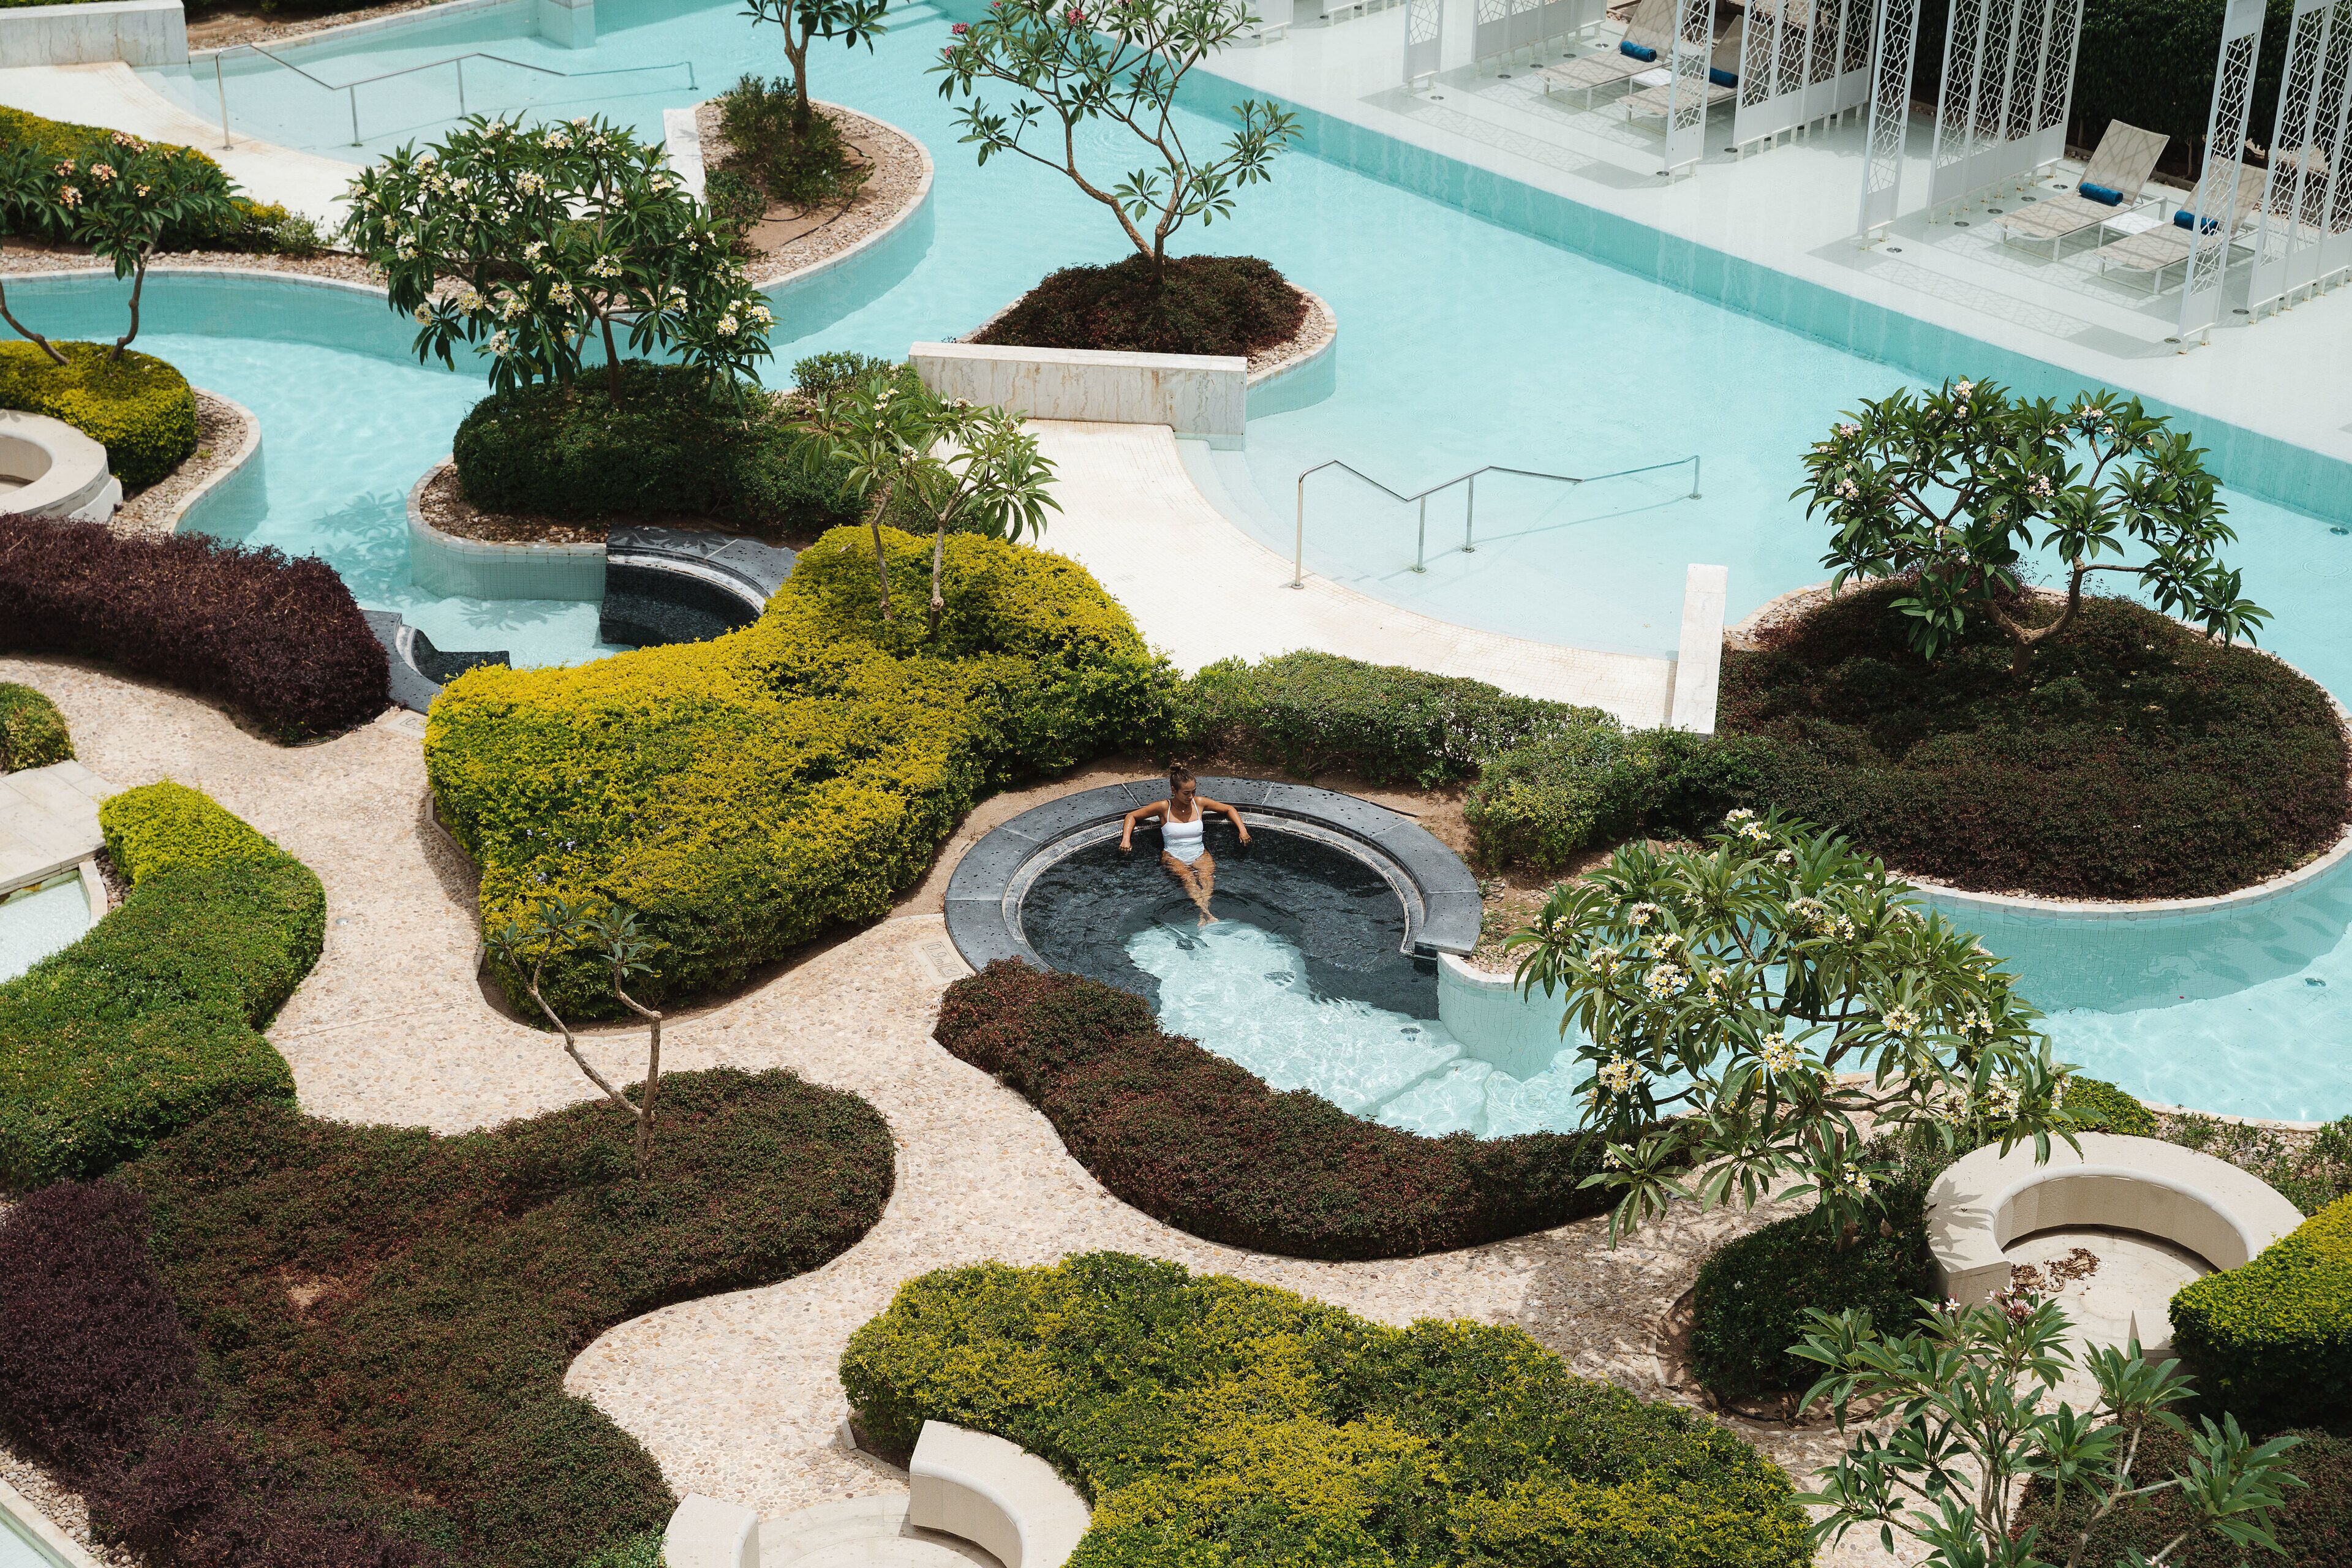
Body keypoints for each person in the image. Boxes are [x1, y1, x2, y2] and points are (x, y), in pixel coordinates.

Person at [1120, 766, 1250, 925]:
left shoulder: (1199, 803)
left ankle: (1204, 914)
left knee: (1207, 878)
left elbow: (1229, 809)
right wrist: (1126, 839)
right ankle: (1206, 913)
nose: (1191, 797)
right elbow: (1132, 816)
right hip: (1173, 855)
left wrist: (1242, 830)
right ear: (1174, 790)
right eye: (1186, 793)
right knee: (1188, 878)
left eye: (1194, 791)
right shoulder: (1164, 807)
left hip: (1199, 852)